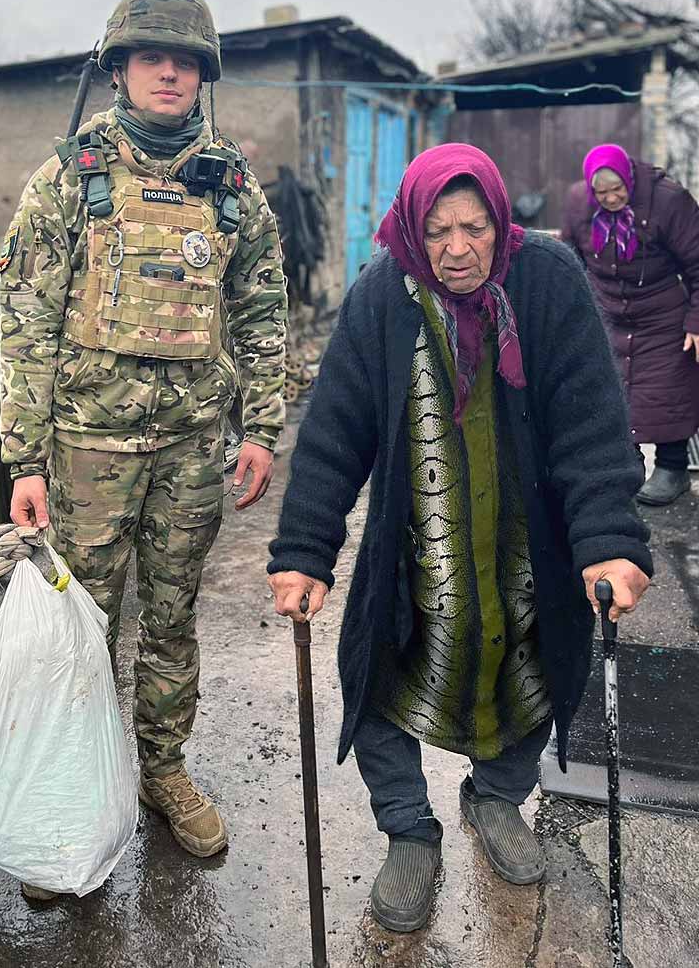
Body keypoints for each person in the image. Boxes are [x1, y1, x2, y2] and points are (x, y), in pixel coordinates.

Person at [267, 144, 653, 934]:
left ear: (500, 222)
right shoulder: (383, 294)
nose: (456, 249)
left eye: (474, 227)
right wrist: (306, 550)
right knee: (381, 677)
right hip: (418, 545)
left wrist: (608, 538)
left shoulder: (545, 280)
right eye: (438, 230)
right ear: (413, 226)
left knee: (529, 664)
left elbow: (591, 419)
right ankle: (409, 829)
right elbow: (336, 430)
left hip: (523, 541)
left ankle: (495, 797)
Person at [0, 0, 288, 887]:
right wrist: (25, 457)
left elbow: (264, 313)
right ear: (119, 66)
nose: (170, 71)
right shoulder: (69, 180)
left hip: (194, 449)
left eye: (187, 59)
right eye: (152, 55)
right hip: (87, 452)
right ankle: (66, 794)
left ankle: (162, 770)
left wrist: (263, 427)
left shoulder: (232, 187)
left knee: (170, 620)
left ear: (204, 74)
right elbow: (25, 319)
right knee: (78, 627)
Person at [559, 143, 699, 506]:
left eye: (617, 189)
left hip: (663, 314)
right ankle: (625, 467)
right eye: (601, 193)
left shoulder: (667, 200)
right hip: (607, 314)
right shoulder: (578, 203)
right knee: (608, 392)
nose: (611, 198)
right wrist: (574, 314)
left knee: (668, 387)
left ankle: (673, 468)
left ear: (630, 179)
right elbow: (570, 261)